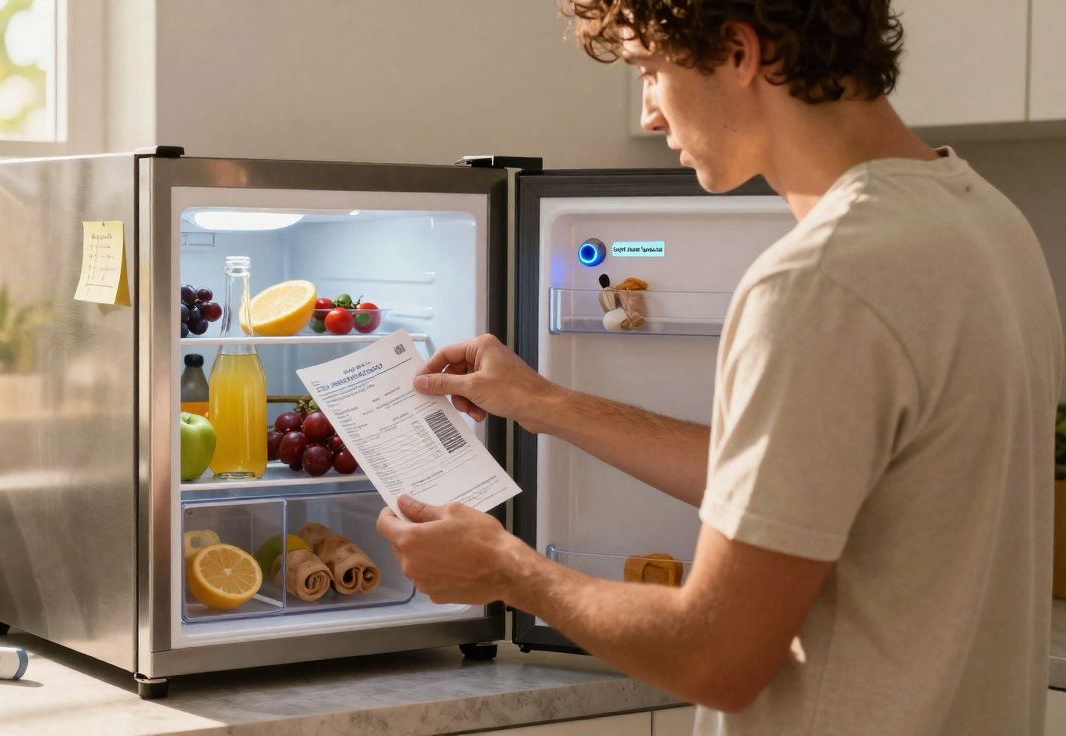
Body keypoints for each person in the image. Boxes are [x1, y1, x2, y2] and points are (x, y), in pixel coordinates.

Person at [375, 1, 1063, 734]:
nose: (650, 114)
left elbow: (716, 655)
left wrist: (507, 571)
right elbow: (797, 484)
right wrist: (543, 403)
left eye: (650, 70)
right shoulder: (986, 222)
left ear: (738, 52)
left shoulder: (820, 279)